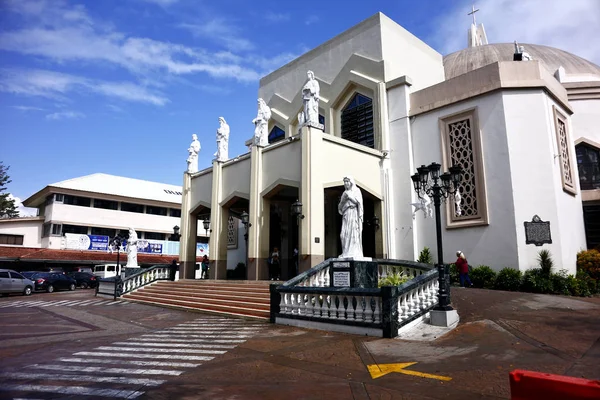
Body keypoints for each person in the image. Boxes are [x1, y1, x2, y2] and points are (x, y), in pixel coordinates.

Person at [338, 176, 364, 258]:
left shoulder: (356, 190)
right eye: (344, 182)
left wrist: (349, 197)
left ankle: (354, 252)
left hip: (353, 214)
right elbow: (340, 206)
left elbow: (358, 202)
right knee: (343, 234)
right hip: (346, 214)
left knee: (353, 233)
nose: (346, 183)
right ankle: (345, 251)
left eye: (347, 181)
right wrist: (343, 200)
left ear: (351, 182)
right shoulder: (344, 193)